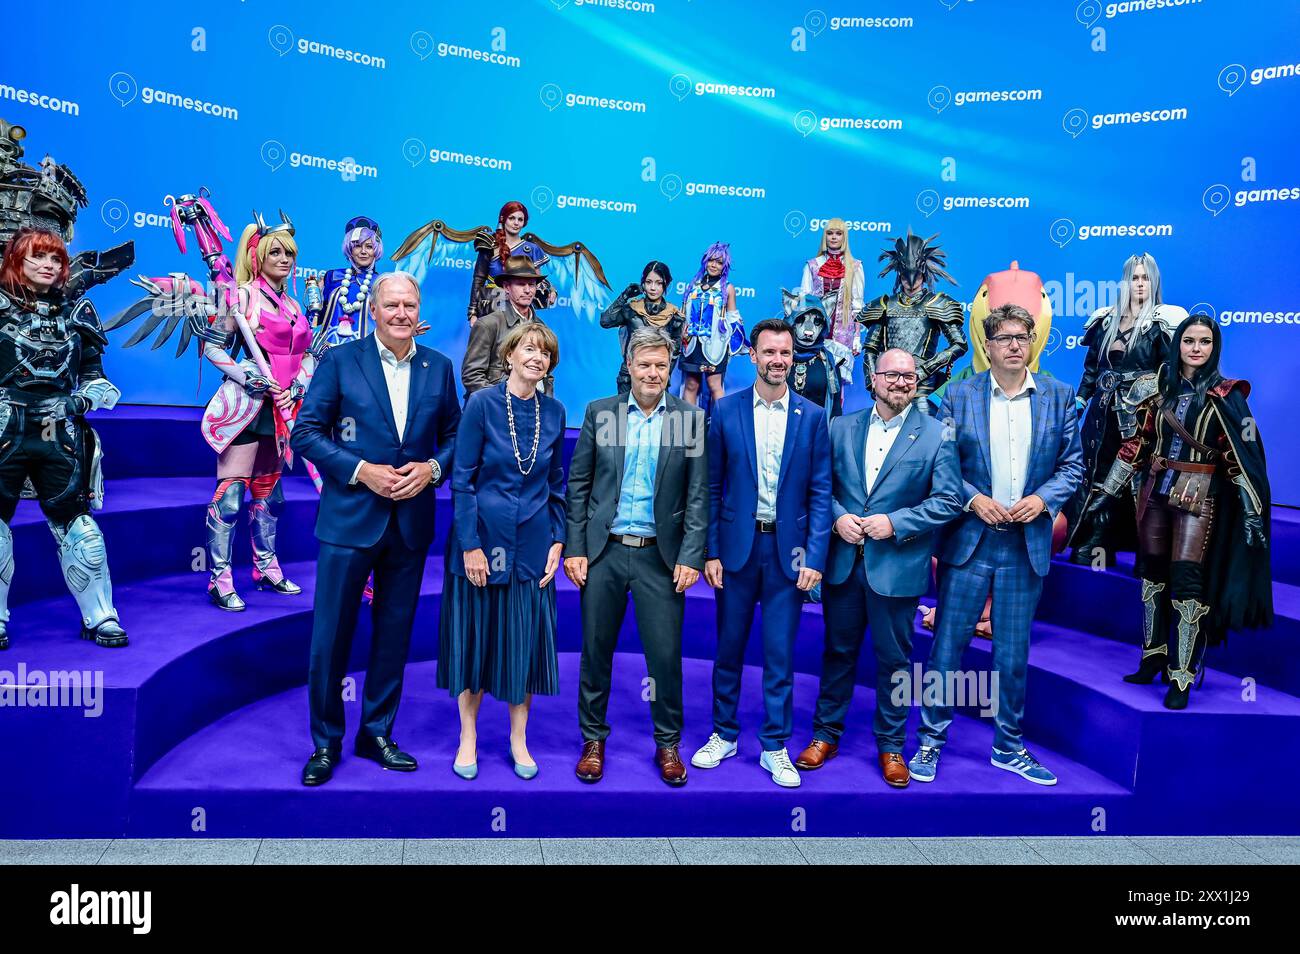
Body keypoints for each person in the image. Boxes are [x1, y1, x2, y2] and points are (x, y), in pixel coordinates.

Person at [291, 271, 461, 786]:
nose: (402, 314)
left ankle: (376, 732)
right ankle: (326, 741)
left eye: (410, 305)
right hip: (350, 521)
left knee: (393, 634)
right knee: (331, 637)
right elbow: (306, 432)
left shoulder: (439, 367)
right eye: (392, 305)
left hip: (410, 524)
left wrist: (433, 470)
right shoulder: (341, 361)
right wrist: (361, 470)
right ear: (374, 310)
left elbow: (454, 434)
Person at [910, 303, 1084, 786]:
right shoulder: (958, 397)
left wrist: (1042, 500)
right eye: (1004, 337)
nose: (1013, 345)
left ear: (1032, 343)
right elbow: (941, 462)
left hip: (1024, 545)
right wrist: (971, 499)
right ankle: (929, 741)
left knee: (1012, 653)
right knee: (947, 647)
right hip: (969, 540)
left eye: (1021, 338)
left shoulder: (1059, 396)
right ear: (987, 346)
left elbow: (1073, 465)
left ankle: (1008, 747)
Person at [794, 348, 963, 787]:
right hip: (844, 565)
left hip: (897, 569)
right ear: (873, 378)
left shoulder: (936, 434)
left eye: (910, 376)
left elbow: (947, 500)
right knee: (837, 653)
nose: (901, 382)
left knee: (895, 662)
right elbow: (818, 486)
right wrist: (836, 517)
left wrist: (896, 523)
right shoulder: (839, 427)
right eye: (893, 375)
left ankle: (891, 747)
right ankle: (825, 735)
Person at [1086, 313, 1271, 709]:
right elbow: (1137, 444)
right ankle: (1152, 656)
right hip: (1156, 491)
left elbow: (1239, 458)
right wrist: (1107, 491)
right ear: (1178, 343)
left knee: (1187, 586)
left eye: (1204, 342)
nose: (1196, 348)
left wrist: (1252, 511)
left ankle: (1182, 675)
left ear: (1214, 347)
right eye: (1189, 340)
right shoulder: (1156, 390)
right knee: (1152, 578)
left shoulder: (1226, 395)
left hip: (1198, 494)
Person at [690, 318, 833, 788]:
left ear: (794, 358)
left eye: (785, 353)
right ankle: (724, 733)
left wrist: (814, 556)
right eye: (769, 352)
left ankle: (775, 745)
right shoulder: (726, 411)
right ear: (752, 355)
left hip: (788, 554)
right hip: (734, 551)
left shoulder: (812, 417)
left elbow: (820, 492)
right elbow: (710, 488)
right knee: (728, 649)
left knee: (779, 654)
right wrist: (710, 550)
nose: (778, 361)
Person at [563, 327, 708, 786]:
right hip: (604, 553)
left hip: (661, 559)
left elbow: (699, 495)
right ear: (628, 366)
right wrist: (576, 547)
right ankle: (593, 739)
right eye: (643, 364)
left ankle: (668, 744)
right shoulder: (601, 413)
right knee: (595, 651)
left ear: (670, 370)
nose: (652, 373)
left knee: (665, 658)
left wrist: (692, 555)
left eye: (660, 365)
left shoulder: (689, 419)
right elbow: (579, 486)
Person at [440, 322, 567, 780]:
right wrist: (471, 546)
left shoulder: (554, 412)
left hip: (533, 547)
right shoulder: (481, 404)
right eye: (529, 349)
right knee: (475, 644)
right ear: (509, 355)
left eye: (545, 353)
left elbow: (556, 486)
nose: (537, 358)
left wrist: (558, 540)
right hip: (482, 541)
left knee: (523, 646)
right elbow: (461, 479)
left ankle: (519, 739)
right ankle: (468, 736)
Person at [0, 228, 126, 648]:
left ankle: (101, 616)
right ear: (17, 258)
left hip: (59, 430)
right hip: (4, 425)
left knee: (80, 529)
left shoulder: (77, 311)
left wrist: (79, 403)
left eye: (55, 258)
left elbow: (97, 379)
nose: (49, 265)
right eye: (38, 257)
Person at [205, 213, 316, 610]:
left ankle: (265, 566)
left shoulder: (293, 303)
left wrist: (301, 382)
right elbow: (214, 348)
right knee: (232, 497)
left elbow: (307, 354)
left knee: (272, 498)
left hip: (283, 408)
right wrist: (245, 374)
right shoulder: (241, 297)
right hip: (247, 407)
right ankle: (219, 578)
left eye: (289, 252)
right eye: (276, 252)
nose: (285, 259)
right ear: (257, 256)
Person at [1068, 253, 1184, 565]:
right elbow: (1091, 369)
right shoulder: (1105, 320)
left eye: (1146, 277)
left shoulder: (1164, 322)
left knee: (1136, 477)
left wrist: (1159, 412)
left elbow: (1170, 375)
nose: (1140, 283)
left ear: (1154, 281)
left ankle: (1145, 549)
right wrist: (1079, 402)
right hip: (1101, 412)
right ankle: (1095, 539)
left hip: (1142, 415)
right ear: (1125, 281)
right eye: (1135, 277)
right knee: (1097, 471)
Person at [390, 199, 609, 325]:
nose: (516, 223)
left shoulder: (531, 248)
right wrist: (472, 313)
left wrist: (550, 291)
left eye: (520, 219)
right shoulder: (488, 243)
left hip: (521, 308)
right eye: (512, 218)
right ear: (503, 219)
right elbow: (478, 278)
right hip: (492, 303)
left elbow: (538, 279)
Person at [858, 230, 967, 413]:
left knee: (924, 434)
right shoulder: (884, 305)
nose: (910, 281)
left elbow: (959, 344)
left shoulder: (938, 304)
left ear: (923, 273)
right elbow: (870, 349)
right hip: (889, 385)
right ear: (899, 273)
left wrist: (925, 369)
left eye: (915, 275)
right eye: (905, 274)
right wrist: (873, 383)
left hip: (922, 387)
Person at [461, 255, 553, 399]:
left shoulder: (542, 327)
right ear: (506, 287)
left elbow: (546, 375)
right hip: (494, 413)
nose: (528, 290)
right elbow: (472, 376)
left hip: (532, 411)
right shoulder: (488, 324)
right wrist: (505, 402)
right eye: (521, 284)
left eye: (532, 284)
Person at [600, 260, 684, 394]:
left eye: (658, 283)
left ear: (666, 284)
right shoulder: (632, 309)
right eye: (648, 282)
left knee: (656, 414)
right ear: (643, 283)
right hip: (629, 376)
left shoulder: (673, 315)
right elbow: (605, 322)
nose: (652, 287)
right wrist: (624, 296)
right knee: (623, 414)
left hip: (656, 378)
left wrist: (664, 375)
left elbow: (675, 352)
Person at [679, 243, 745, 407]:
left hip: (715, 345)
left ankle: (719, 428)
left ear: (725, 266)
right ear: (705, 261)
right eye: (711, 260)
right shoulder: (693, 285)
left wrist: (734, 342)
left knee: (714, 385)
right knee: (691, 385)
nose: (714, 265)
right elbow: (682, 314)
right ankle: (690, 428)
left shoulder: (728, 288)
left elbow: (732, 316)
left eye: (719, 262)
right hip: (692, 344)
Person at [799, 217, 864, 378]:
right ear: (824, 236)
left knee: (838, 379)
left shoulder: (855, 266)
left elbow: (857, 305)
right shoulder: (812, 265)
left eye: (838, 233)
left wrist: (857, 336)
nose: (834, 237)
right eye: (830, 233)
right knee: (813, 375)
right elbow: (803, 301)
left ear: (844, 237)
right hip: (815, 330)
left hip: (843, 333)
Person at [781, 290, 851, 419]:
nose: (809, 331)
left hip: (816, 432)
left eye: (817, 322)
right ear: (791, 322)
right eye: (801, 320)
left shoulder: (830, 362)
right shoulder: (780, 358)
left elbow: (835, 410)